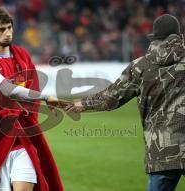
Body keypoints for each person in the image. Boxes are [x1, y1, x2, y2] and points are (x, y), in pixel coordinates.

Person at [64, 14, 185, 191]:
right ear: (179, 36)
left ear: (155, 38)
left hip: (162, 152)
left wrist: (80, 104)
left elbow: (110, 98)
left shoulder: (140, 67)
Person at [0, 7, 63, 191]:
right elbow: (7, 89)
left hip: (22, 139)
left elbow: (32, 88)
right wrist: (46, 97)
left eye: (9, 28)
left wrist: (31, 106)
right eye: (1, 29)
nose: (7, 33)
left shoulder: (22, 56)